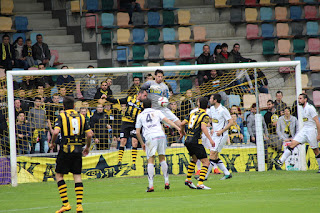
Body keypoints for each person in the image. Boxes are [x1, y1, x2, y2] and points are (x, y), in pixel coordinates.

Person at [49, 96, 92, 213]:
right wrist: (87, 147)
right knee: (77, 176)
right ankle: (79, 205)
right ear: (74, 106)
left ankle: (66, 204)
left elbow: (56, 132)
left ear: (63, 106)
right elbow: (89, 135)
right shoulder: (82, 117)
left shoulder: (62, 116)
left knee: (59, 175)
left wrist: (52, 143)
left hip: (65, 149)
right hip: (78, 150)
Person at [136, 98, 181, 192]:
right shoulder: (157, 112)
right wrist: (178, 128)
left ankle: (151, 185)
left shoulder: (140, 115)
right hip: (161, 135)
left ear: (143, 106)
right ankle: (166, 181)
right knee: (162, 158)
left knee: (150, 160)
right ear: (152, 105)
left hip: (150, 136)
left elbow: (137, 132)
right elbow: (168, 121)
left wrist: (142, 143)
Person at [275, 94, 320, 173]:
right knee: (292, 143)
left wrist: (319, 134)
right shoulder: (302, 109)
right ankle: (280, 161)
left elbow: (317, 120)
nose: (299, 100)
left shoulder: (310, 108)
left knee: (315, 150)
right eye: (298, 98)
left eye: (300, 98)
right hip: (305, 129)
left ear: (305, 99)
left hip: (312, 130)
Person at [106, 89, 148, 169]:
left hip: (135, 124)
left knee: (134, 142)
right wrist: (106, 98)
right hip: (125, 122)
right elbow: (116, 101)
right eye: (144, 95)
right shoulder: (129, 99)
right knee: (123, 141)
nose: (145, 97)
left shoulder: (143, 104)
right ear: (139, 94)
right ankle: (119, 161)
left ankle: (133, 163)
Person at [181, 97, 214, 190]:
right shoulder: (205, 115)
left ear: (199, 105)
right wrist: (211, 140)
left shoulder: (193, 113)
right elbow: (203, 127)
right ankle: (200, 183)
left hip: (187, 140)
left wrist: (182, 132)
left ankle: (188, 179)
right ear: (207, 106)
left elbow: (182, 123)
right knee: (206, 162)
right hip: (196, 141)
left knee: (194, 159)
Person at [203, 94, 233, 181]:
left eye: (211, 98)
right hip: (215, 135)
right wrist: (212, 127)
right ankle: (227, 173)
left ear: (215, 100)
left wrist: (221, 131)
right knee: (215, 156)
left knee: (212, 154)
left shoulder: (223, 110)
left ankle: (204, 176)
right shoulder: (212, 109)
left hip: (221, 135)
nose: (210, 100)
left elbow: (231, 122)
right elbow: (212, 120)